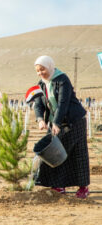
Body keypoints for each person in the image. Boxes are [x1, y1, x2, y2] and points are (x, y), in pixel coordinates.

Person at [33, 55, 90, 198]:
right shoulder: (41, 84)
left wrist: (56, 123)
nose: (41, 73)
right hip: (56, 122)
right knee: (55, 152)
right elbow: (38, 104)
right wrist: (40, 119)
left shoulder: (62, 79)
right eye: (38, 71)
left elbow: (62, 103)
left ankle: (83, 188)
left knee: (77, 153)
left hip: (74, 121)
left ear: (50, 67)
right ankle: (59, 186)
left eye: (42, 69)